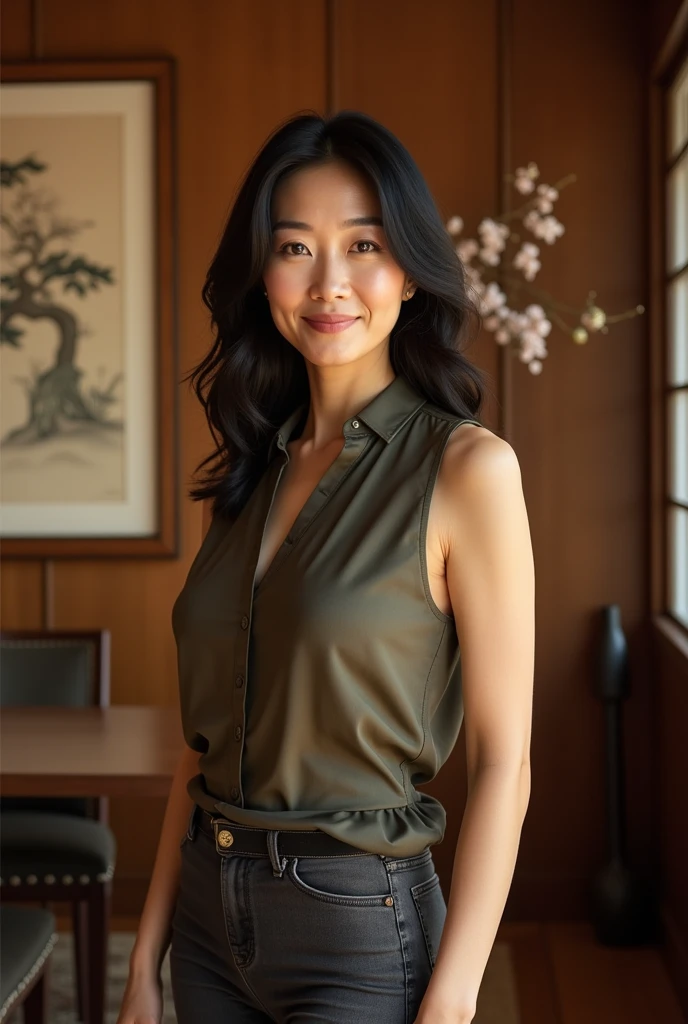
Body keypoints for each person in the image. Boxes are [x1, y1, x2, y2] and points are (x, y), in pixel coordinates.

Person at [117, 110, 534, 1024]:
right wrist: (144, 960)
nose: (330, 283)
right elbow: (202, 756)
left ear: (410, 271)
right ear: (262, 273)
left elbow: (506, 763)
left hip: (359, 922)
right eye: (297, 247)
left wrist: (453, 1000)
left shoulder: (467, 470)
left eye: (365, 245)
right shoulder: (244, 476)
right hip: (206, 919)